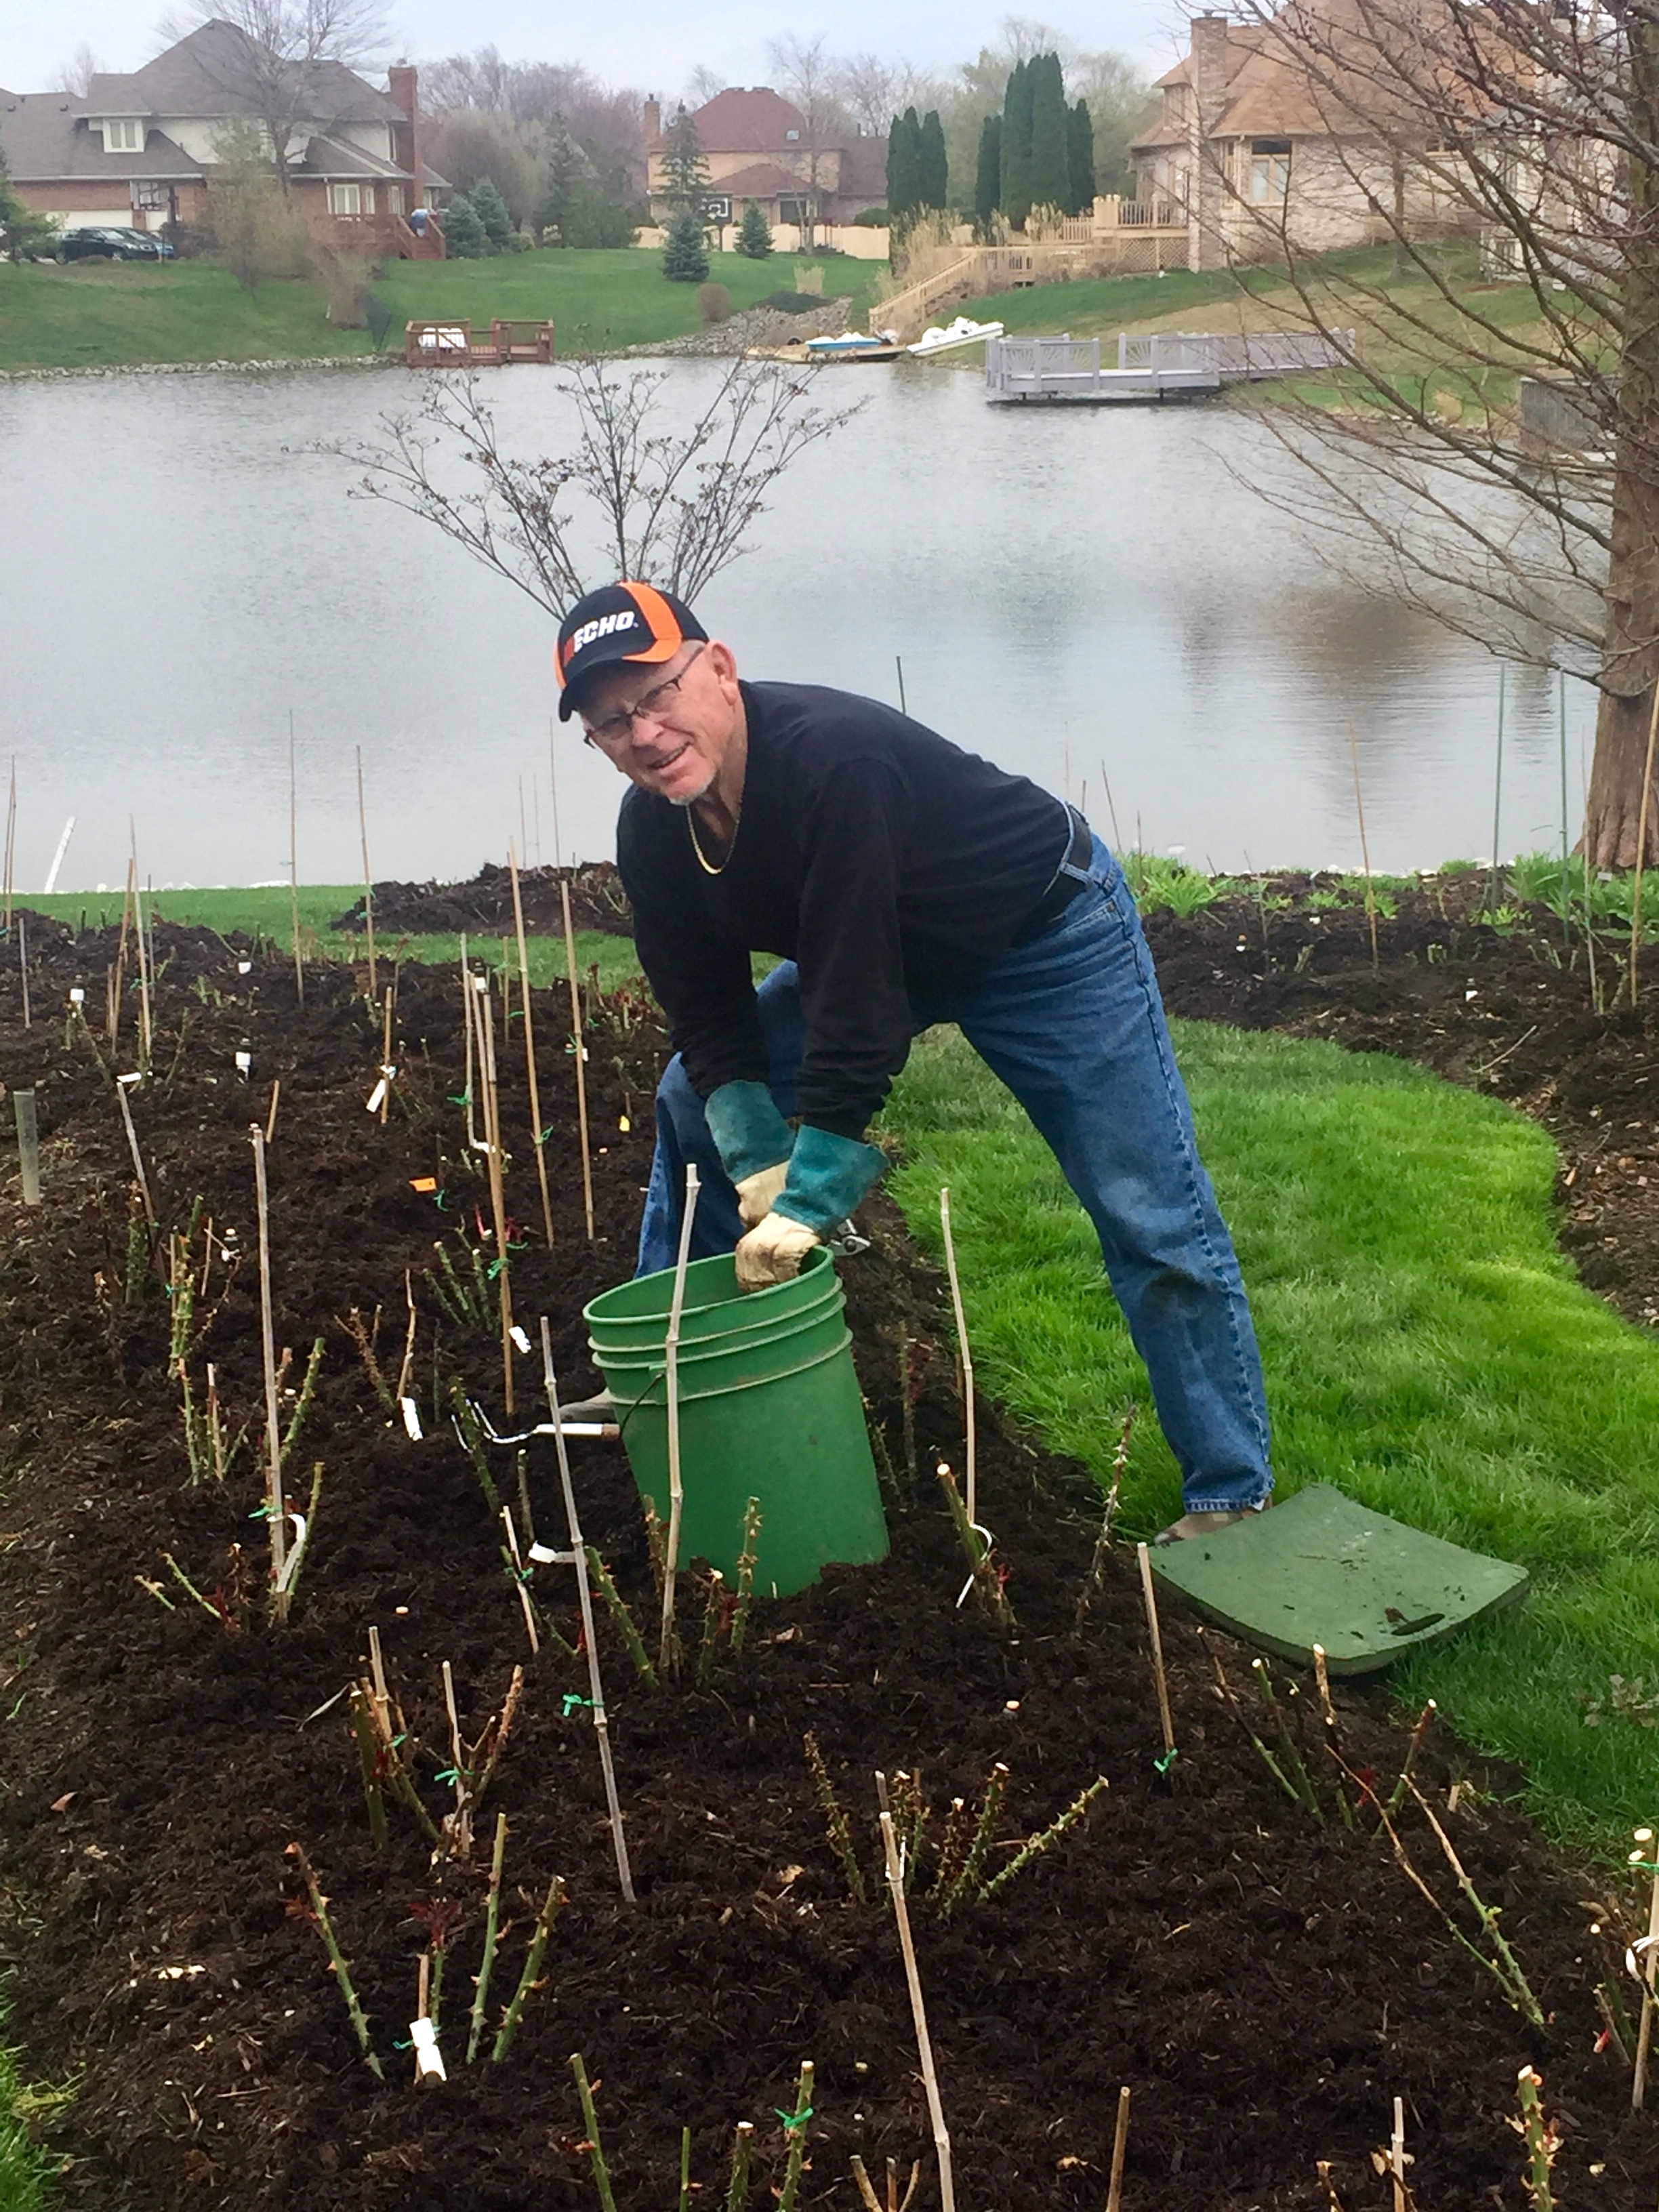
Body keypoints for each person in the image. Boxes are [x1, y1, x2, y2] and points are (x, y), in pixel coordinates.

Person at [554, 579, 1273, 1542]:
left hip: (1046, 937)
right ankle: (668, 1369)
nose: (643, 733)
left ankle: (1230, 1492)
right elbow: (704, 1005)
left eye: (657, 694)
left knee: (1150, 1210)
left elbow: (857, 995)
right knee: (696, 1098)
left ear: (719, 669)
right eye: (610, 722)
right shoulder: (654, 831)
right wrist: (754, 1149)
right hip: (889, 948)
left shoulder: (833, 762)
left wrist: (815, 1186)